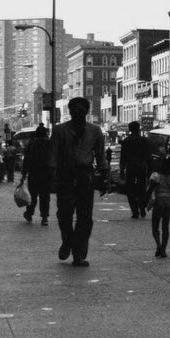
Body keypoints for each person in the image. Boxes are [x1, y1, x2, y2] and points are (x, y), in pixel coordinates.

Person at [50, 97, 107, 268]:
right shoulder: (60, 130)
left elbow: (101, 156)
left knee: (85, 217)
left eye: (82, 110)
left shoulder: (95, 131)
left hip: (85, 175)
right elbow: (53, 154)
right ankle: (67, 241)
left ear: (87, 111)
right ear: (70, 111)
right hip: (65, 175)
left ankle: (79, 254)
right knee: (64, 214)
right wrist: (52, 177)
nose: (78, 113)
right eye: (75, 110)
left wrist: (104, 178)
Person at [20, 124, 53, 225]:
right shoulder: (50, 143)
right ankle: (44, 217)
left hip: (34, 174)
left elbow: (26, 161)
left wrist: (24, 174)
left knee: (32, 196)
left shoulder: (32, 144)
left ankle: (29, 213)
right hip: (47, 174)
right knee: (45, 196)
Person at [120, 121, 152, 219]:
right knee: (142, 189)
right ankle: (142, 208)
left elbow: (123, 158)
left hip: (130, 168)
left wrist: (122, 170)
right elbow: (149, 157)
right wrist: (150, 170)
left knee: (130, 191)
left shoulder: (126, 141)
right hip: (142, 168)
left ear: (130, 130)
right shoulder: (145, 141)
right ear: (139, 129)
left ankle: (135, 211)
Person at [147, 155, 170, 258]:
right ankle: (163, 250)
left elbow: (150, 190)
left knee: (155, 226)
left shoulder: (156, 176)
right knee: (165, 227)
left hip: (158, 201)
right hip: (168, 202)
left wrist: (147, 200)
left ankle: (158, 245)